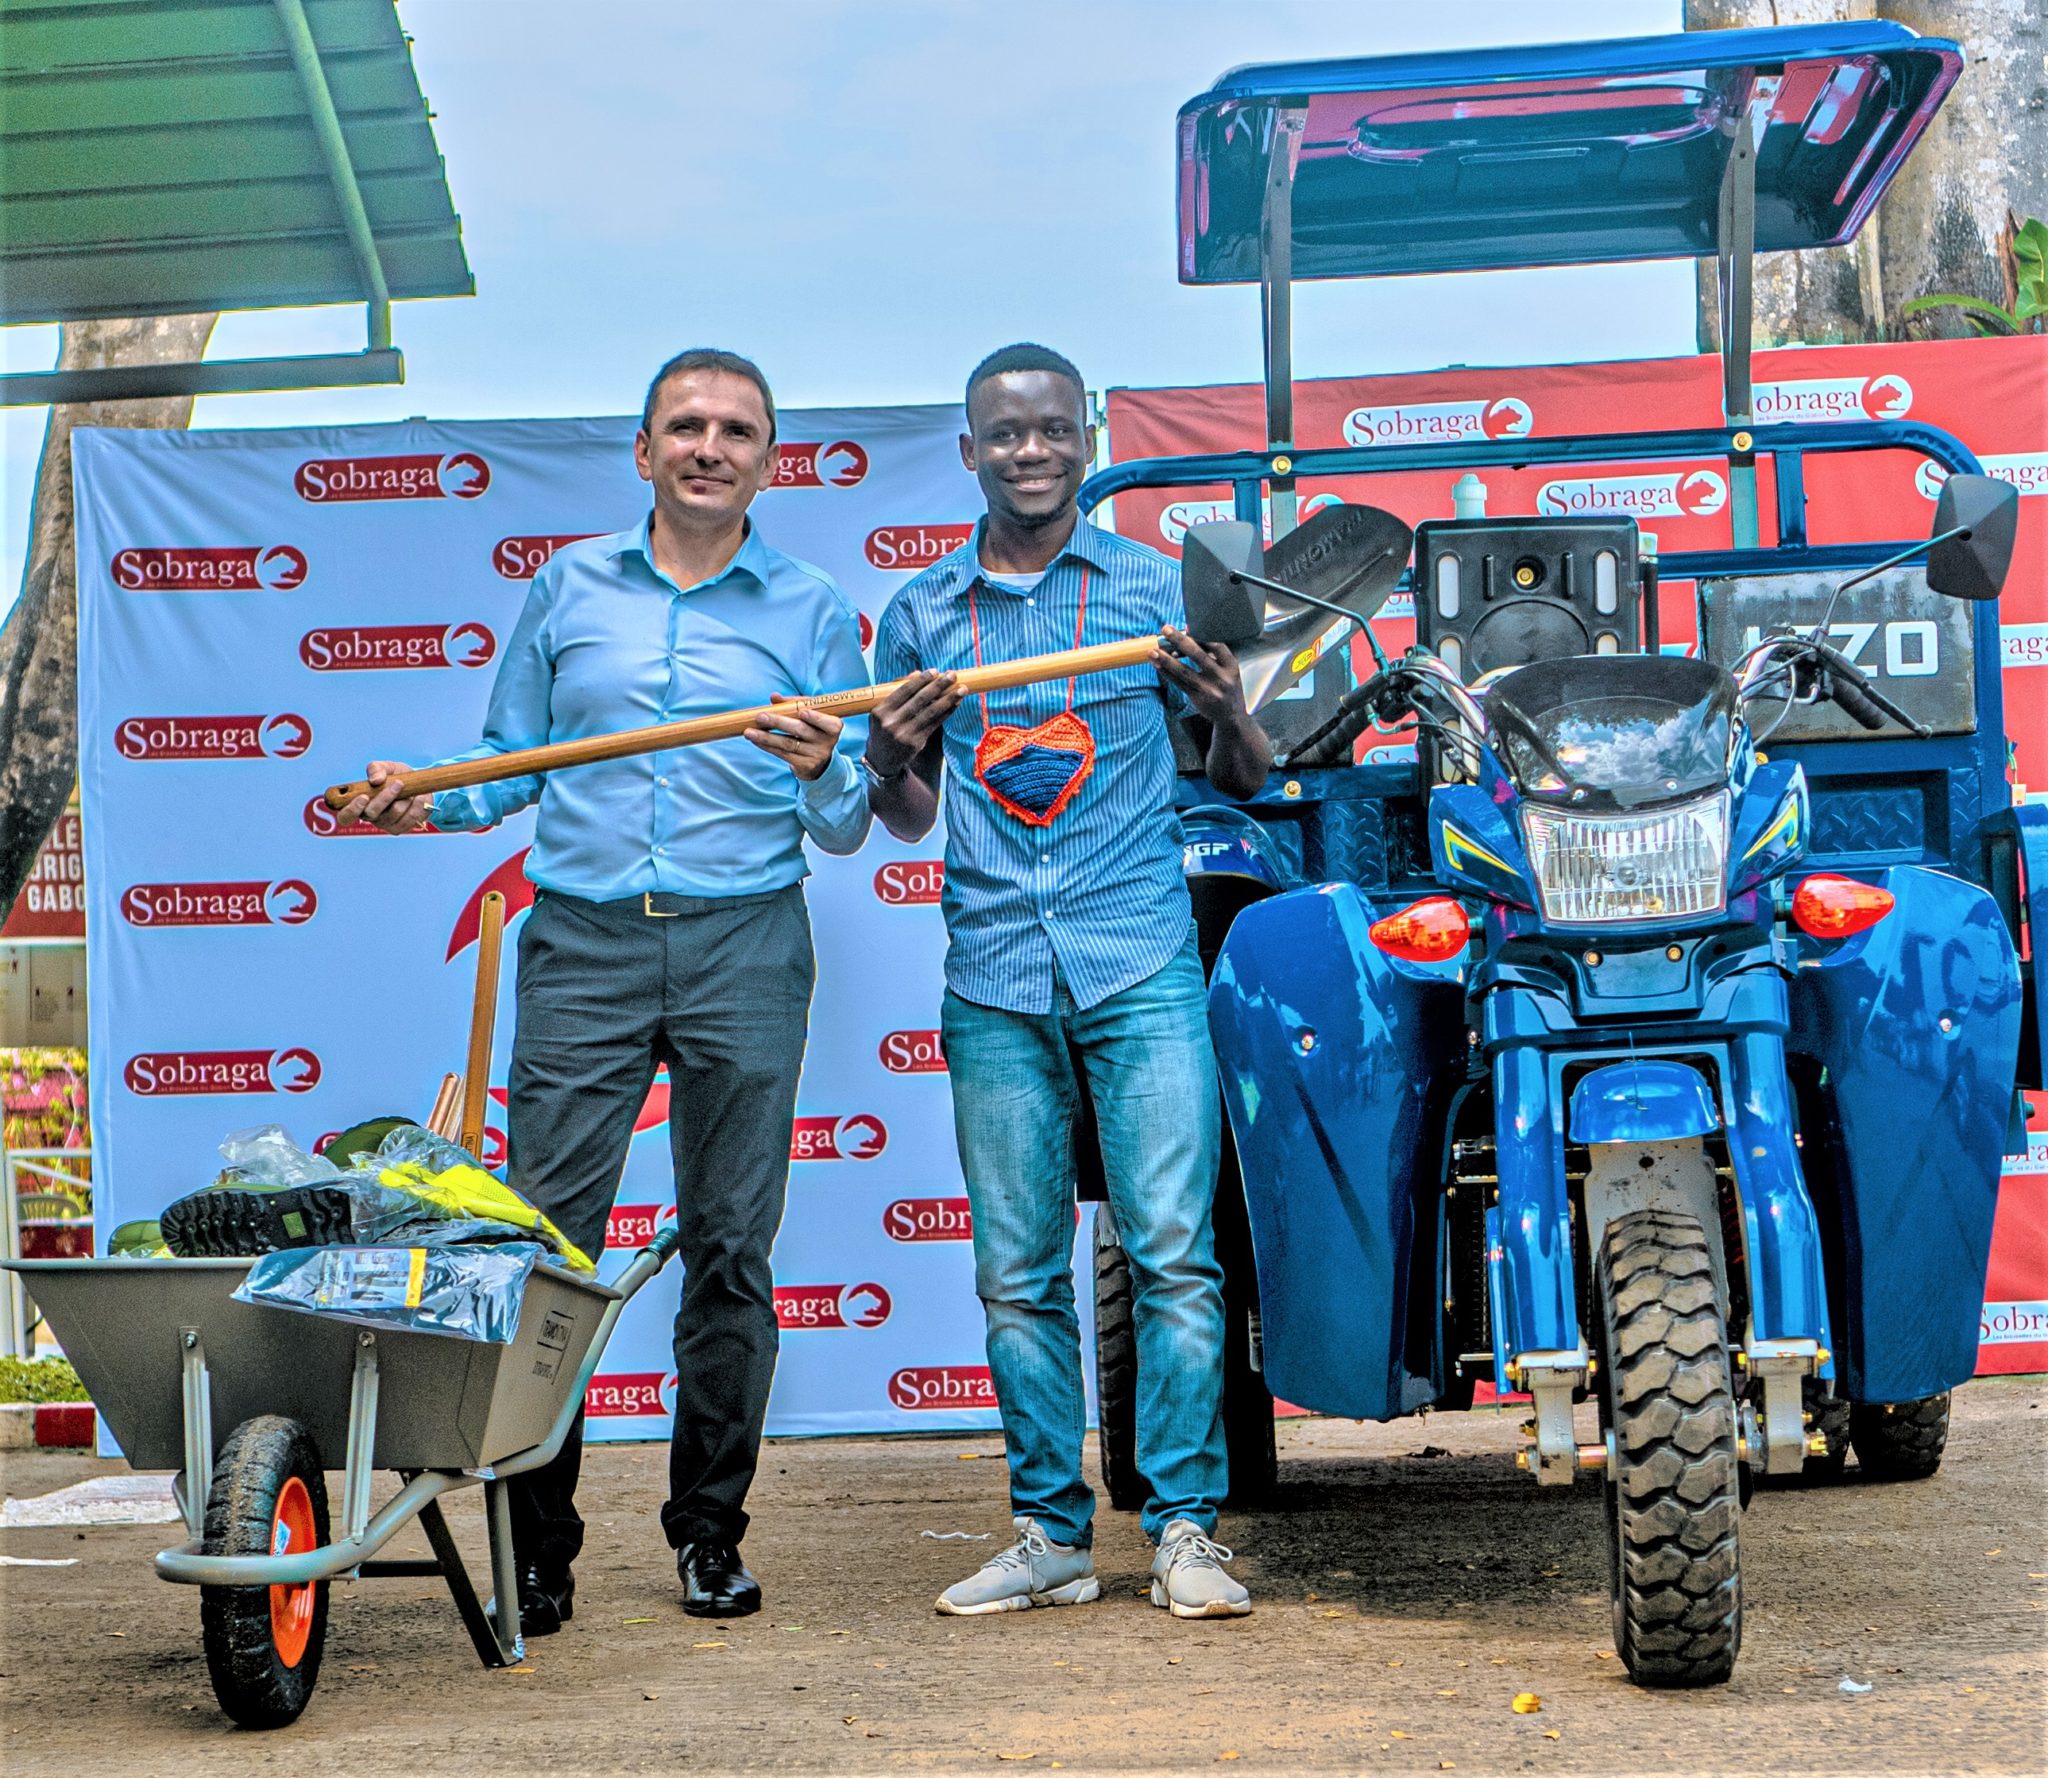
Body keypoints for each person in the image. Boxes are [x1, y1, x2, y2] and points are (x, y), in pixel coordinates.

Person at [340, 349, 869, 1629]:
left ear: (767, 461)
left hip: (746, 942)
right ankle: (537, 1547)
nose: (708, 446)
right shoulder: (566, 586)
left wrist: (820, 767)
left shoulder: (810, 608)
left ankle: (709, 1532)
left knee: (730, 1248)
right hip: (582, 944)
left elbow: (850, 818)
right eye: (684, 425)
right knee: (546, 1249)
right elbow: (510, 760)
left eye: (735, 430)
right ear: (643, 451)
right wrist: (423, 798)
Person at [864, 343, 1270, 1619]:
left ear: (1084, 440)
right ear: (968, 449)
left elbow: (1243, 778)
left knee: (1173, 1255)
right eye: (1004, 432)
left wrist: (1226, 708)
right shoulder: (922, 613)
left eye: (1050, 429)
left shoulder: (1156, 590)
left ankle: (1186, 1529)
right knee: (1017, 1272)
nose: (1029, 451)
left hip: (1139, 960)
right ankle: (1047, 1534)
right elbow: (904, 813)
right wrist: (883, 754)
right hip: (992, 976)